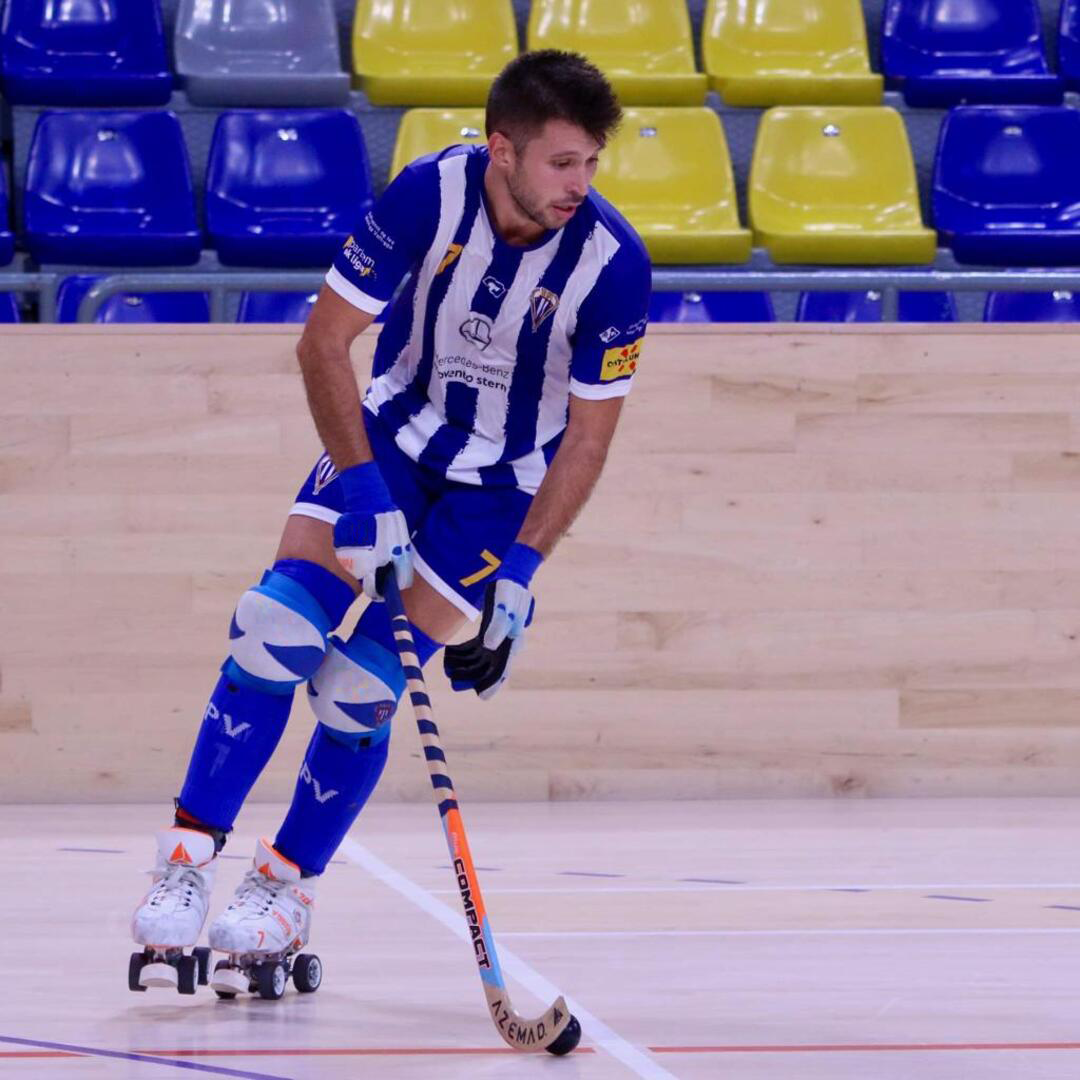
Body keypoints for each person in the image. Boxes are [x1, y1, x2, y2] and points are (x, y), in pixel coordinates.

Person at [129, 48, 651, 993]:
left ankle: (282, 888)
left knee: (361, 687)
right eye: (562, 162)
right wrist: (367, 489)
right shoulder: (428, 195)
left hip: (500, 490)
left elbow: (587, 440)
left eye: (591, 163)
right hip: (392, 440)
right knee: (276, 627)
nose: (581, 184)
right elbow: (323, 342)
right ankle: (185, 859)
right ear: (502, 150)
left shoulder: (613, 265)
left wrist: (521, 574)